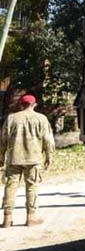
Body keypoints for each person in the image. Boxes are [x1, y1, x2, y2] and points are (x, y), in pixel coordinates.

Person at [1, 94, 55, 228]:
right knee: (32, 187)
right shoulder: (41, 119)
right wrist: (49, 156)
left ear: (21, 104)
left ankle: (7, 219)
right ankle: (31, 217)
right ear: (34, 104)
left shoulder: (11, 118)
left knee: (10, 187)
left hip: (14, 158)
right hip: (34, 158)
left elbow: (3, 140)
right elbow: (48, 140)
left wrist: (1, 156)